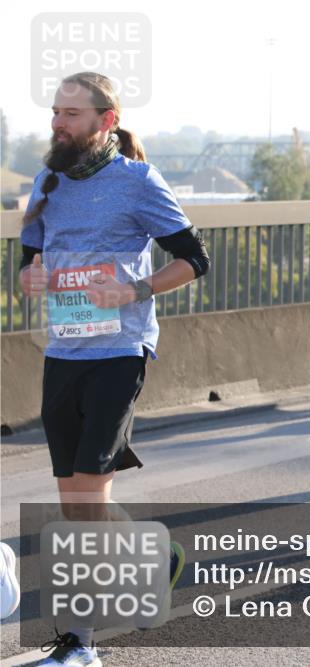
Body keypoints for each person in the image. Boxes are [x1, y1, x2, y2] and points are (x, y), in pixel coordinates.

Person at [19, 72, 206, 666]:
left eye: (71, 113)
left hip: (119, 354)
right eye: (55, 111)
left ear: (105, 120)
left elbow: (194, 259)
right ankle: (152, 559)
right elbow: (30, 259)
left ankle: (80, 644)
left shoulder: (137, 180)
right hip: (63, 352)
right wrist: (30, 276)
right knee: (77, 501)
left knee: (86, 498)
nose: (57, 123)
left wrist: (135, 292)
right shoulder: (47, 181)